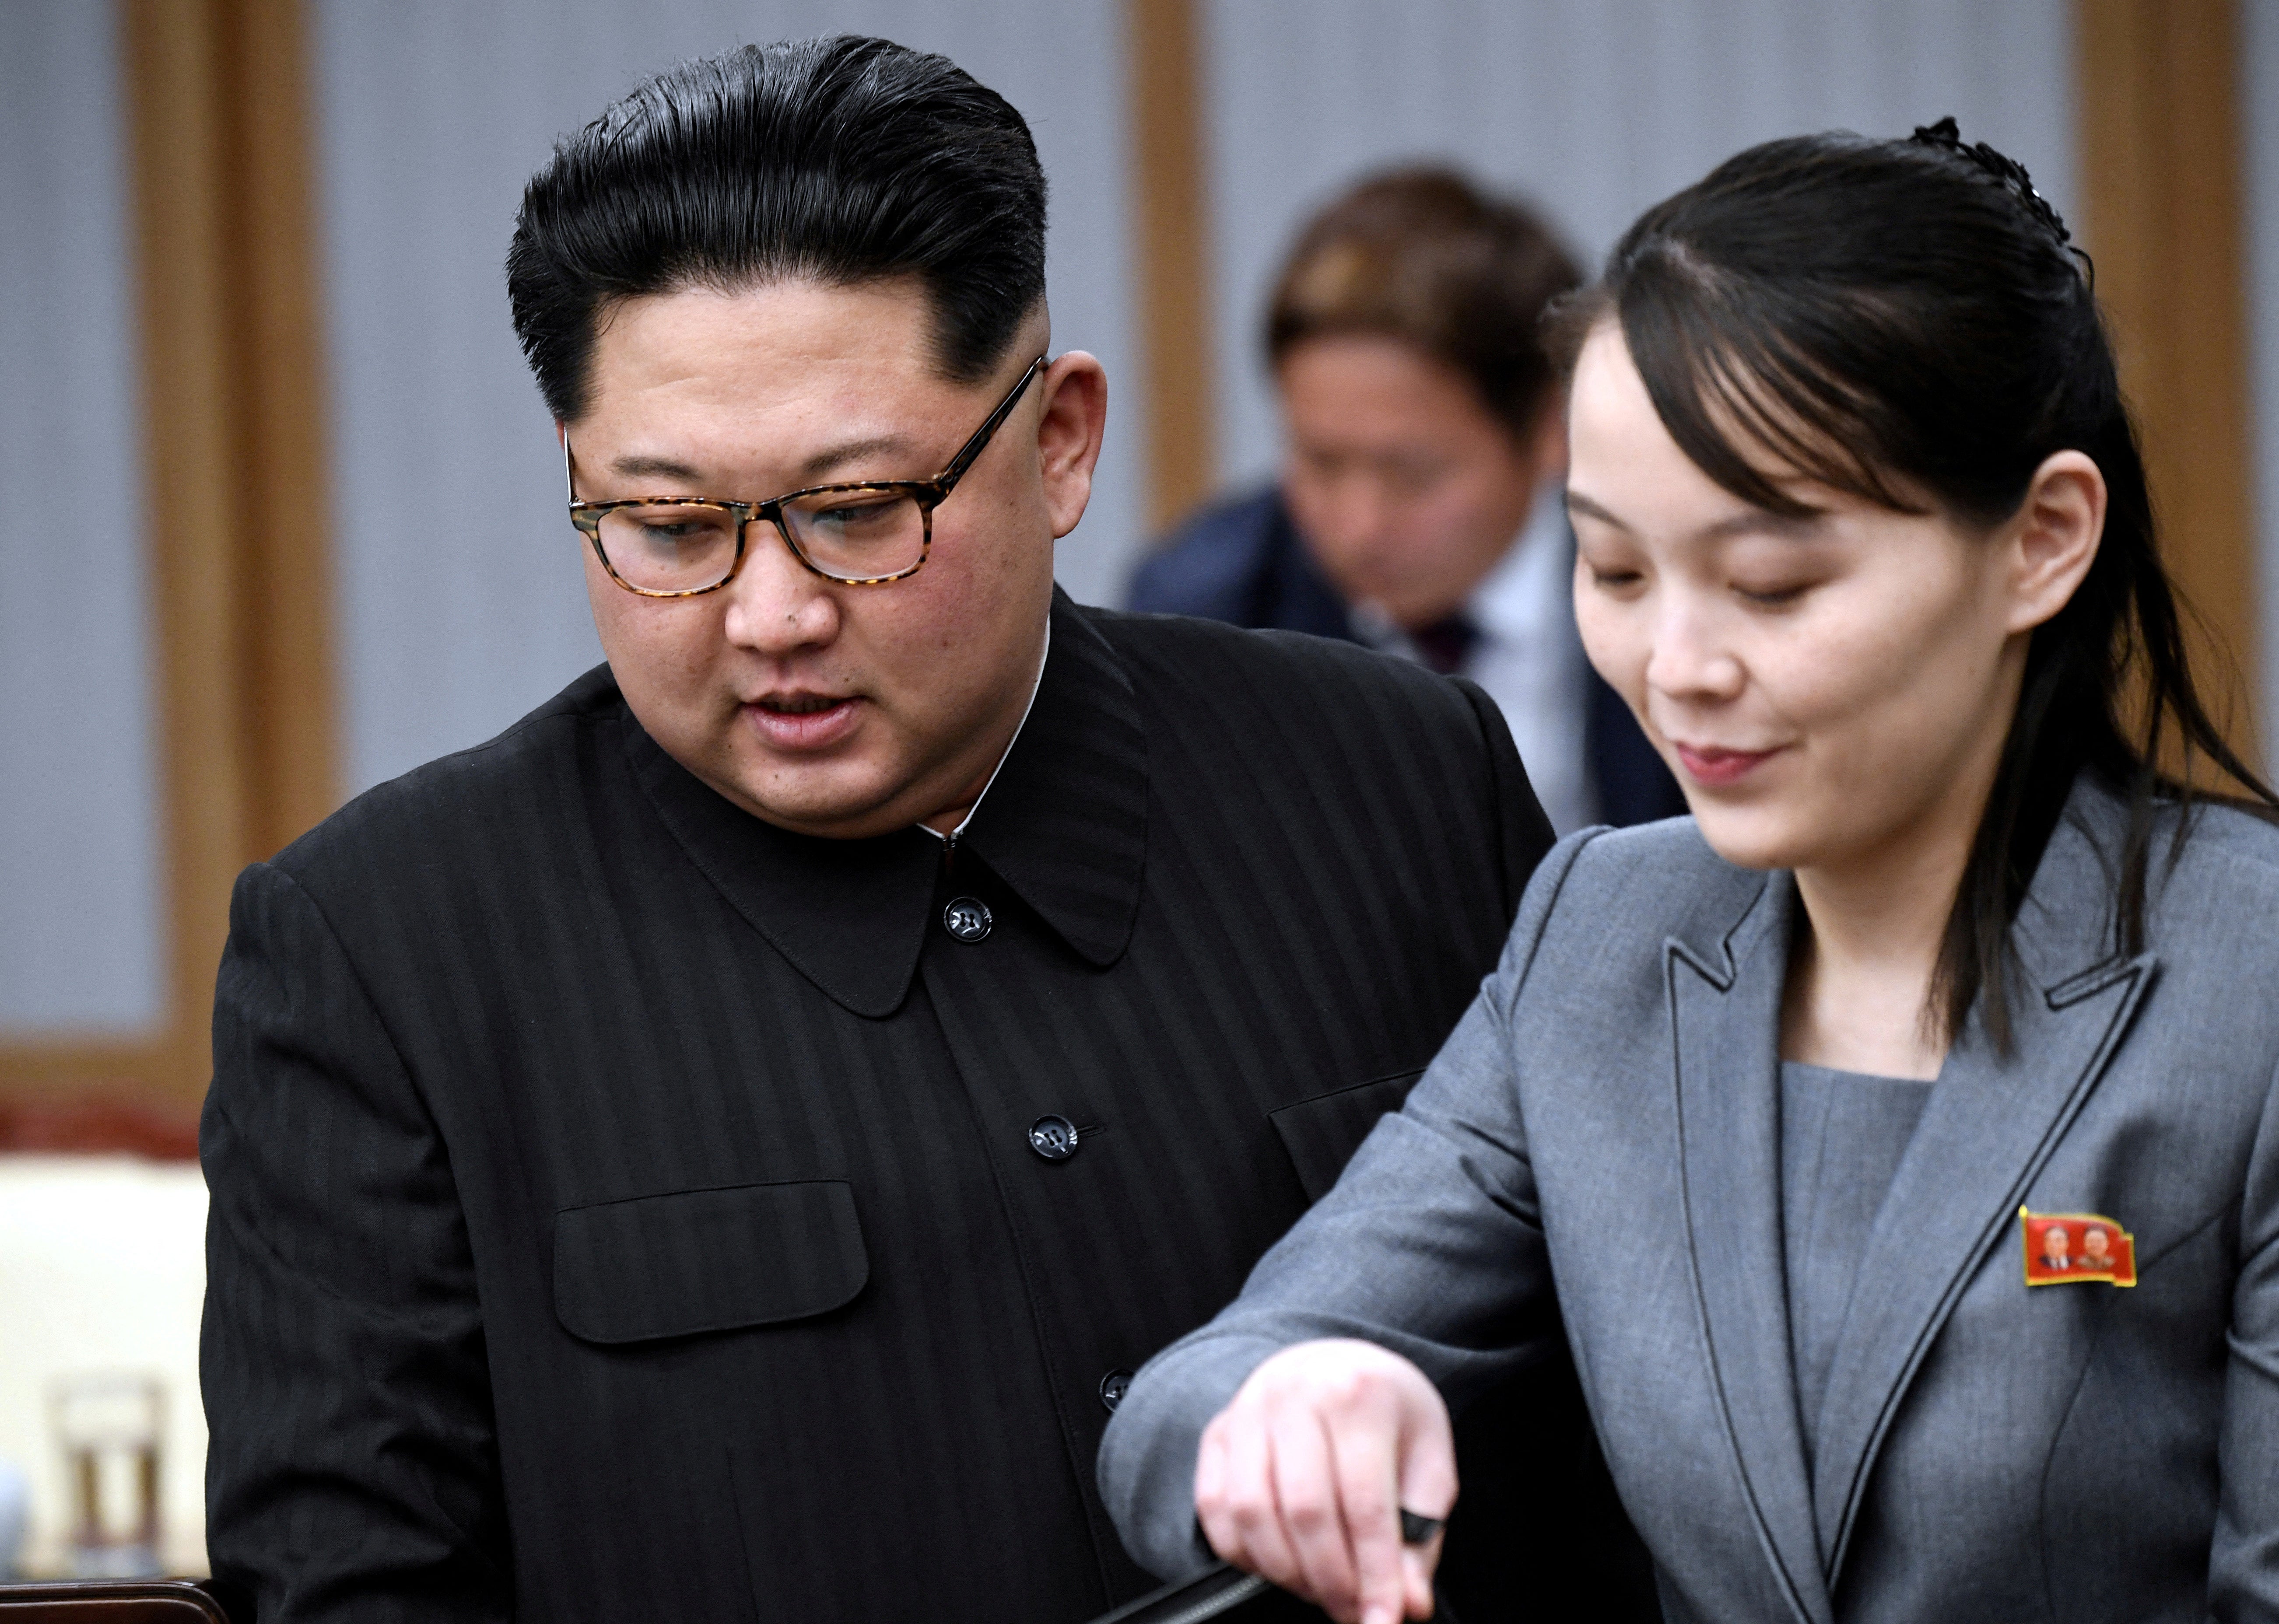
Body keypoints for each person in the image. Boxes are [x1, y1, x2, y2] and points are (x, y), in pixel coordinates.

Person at [197, 35, 1648, 1624]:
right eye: (667, 526)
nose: (768, 614)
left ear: (1057, 444)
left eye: (858, 509)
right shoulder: (388, 950)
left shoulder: (1395, 778)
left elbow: (1630, 1410)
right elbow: (355, 1590)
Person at [1101, 120, 2279, 1624]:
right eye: (1610, 571)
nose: (1673, 668)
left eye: (1772, 584)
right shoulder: (1605, 930)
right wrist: (1289, 1399)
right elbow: (1187, 1406)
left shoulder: (2239, 980)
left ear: (2038, 541)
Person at [1129, 168, 1683, 834]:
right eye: (1321, 463)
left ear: (1549, 429)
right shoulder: (1206, 617)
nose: (1359, 529)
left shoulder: (1679, 585)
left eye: (1413, 474)